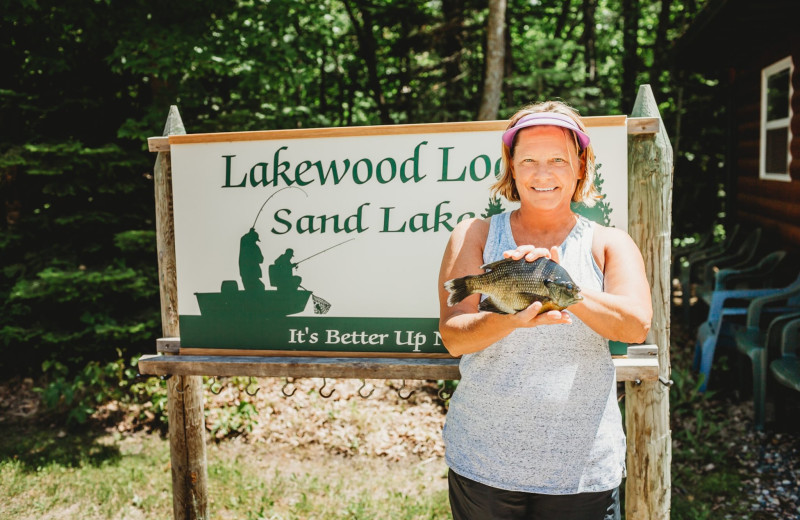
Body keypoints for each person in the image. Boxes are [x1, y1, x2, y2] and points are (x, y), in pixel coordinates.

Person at [437, 101, 652, 520]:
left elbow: (635, 326)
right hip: (484, 460)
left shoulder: (610, 243)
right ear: (511, 168)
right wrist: (511, 319)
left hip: (581, 469)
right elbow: (454, 336)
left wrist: (561, 281)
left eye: (557, 160)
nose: (542, 174)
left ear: (580, 166)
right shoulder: (476, 234)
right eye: (529, 160)